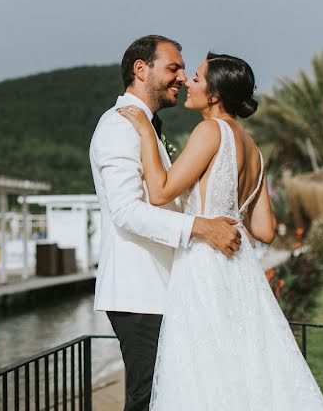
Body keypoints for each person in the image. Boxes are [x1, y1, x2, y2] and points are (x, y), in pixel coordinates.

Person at [118, 52, 323, 410]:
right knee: (245, 364)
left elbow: (159, 192)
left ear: (214, 95)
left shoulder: (210, 130)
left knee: (205, 371)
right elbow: (263, 231)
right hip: (242, 271)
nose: (188, 82)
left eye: (197, 78)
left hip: (204, 265)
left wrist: (145, 133)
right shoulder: (253, 148)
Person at [89, 35, 243, 411]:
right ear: (141, 69)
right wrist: (203, 227)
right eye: (173, 67)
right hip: (139, 292)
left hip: (164, 290)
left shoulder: (146, 128)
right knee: (147, 401)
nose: (182, 76)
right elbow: (126, 211)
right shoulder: (117, 127)